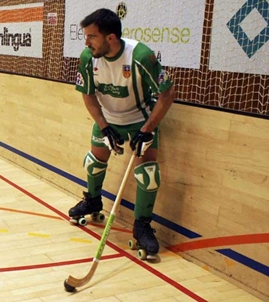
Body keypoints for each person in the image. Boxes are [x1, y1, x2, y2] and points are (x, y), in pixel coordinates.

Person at [68, 8, 175, 258]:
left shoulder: (140, 55)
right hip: (109, 119)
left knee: (148, 174)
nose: (86, 42)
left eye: (91, 36)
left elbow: (167, 94)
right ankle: (93, 201)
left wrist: (147, 130)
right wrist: (104, 126)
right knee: (94, 163)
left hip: (141, 120)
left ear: (111, 38)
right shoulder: (88, 57)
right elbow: (88, 95)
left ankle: (142, 226)